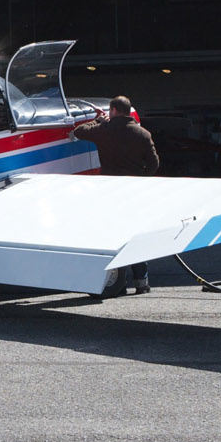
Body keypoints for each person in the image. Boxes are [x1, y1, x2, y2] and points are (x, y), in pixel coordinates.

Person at [74, 95, 159, 294]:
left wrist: (98, 121)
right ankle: (141, 281)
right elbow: (154, 164)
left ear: (112, 110)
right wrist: (141, 178)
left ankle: (116, 280)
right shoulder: (143, 134)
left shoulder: (105, 130)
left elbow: (79, 131)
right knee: (135, 236)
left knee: (112, 236)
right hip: (135, 191)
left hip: (110, 191)